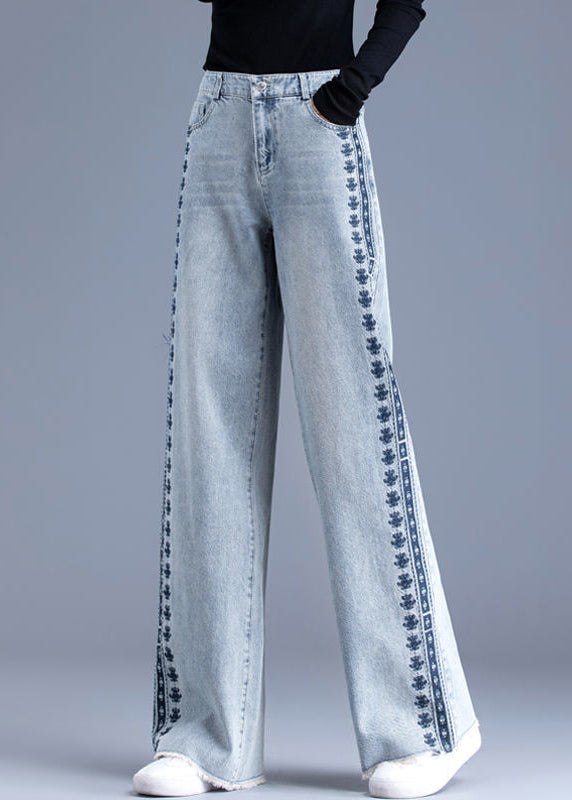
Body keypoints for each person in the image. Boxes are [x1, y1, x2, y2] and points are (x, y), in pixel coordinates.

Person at [132, 1, 482, 797]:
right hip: (218, 115)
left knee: (354, 428)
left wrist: (351, 91)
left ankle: (423, 729)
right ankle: (205, 740)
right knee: (208, 435)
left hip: (320, 121)